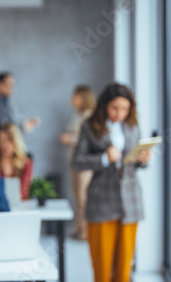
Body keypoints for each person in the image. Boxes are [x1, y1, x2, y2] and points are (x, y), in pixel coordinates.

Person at [72, 83, 151, 282]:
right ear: (104, 106)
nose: (119, 113)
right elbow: (77, 161)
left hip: (130, 202)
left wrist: (142, 161)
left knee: (124, 269)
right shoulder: (90, 127)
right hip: (101, 203)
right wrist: (104, 158)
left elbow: (131, 164)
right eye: (115, 108)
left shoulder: (132, 127)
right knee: (102, 269)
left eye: (125, 108)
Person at [60, 85, 96, 240]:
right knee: (76, 196)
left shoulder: (89, 116)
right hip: (73, 160)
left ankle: (87, 231)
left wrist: (70, 139)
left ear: (82, 98)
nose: (71, 99)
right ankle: (79, 227)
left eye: (74, 96)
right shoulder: (76, 114)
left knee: (83, 197)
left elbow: (90, 139)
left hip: (84, 162)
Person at [0, 123, 33, 200]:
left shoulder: (26, 163)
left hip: (21, 207)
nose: (5, 144)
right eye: (1, 140)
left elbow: (24, 190)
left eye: (9, 139)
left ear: (15, 140)